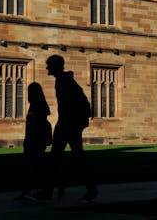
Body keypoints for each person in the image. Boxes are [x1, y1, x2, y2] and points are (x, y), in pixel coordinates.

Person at [35, 54, 98, 203]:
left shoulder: (66, 81)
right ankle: (53, 190)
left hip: (68, 124)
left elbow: (81, 102)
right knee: (62, 157)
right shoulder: (62, 80)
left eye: (49, 65)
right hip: (66, 123)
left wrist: (77, 122)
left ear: (55, 66)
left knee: (65, 157)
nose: (46, 68)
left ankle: (51, 191)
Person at [15, 82, 52, 202]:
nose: (27, 94)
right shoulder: (35, 105)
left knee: (36, 167)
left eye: (29, 91)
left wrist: (32, 140)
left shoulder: (38, 106)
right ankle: (27, 192)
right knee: (29, 167)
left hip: (36, 141)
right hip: (32, 140)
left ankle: (41, 192)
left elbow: (38, 125)